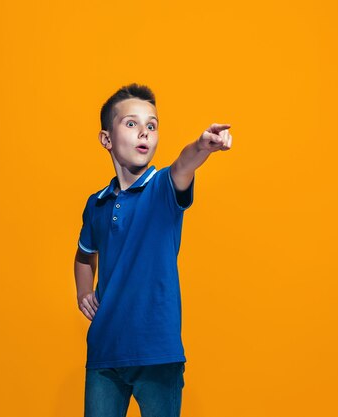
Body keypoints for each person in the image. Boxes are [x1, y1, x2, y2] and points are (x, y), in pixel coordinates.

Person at [74, 83, 232, 417]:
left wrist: (202, 146)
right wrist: (83, 291)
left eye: (152, 125)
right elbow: (85, 254)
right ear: (107, 139)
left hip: (158, 352)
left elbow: (183, 165)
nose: (144, 132)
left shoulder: (162, 189)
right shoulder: (97, 203)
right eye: (131, 124)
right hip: (104, 351)